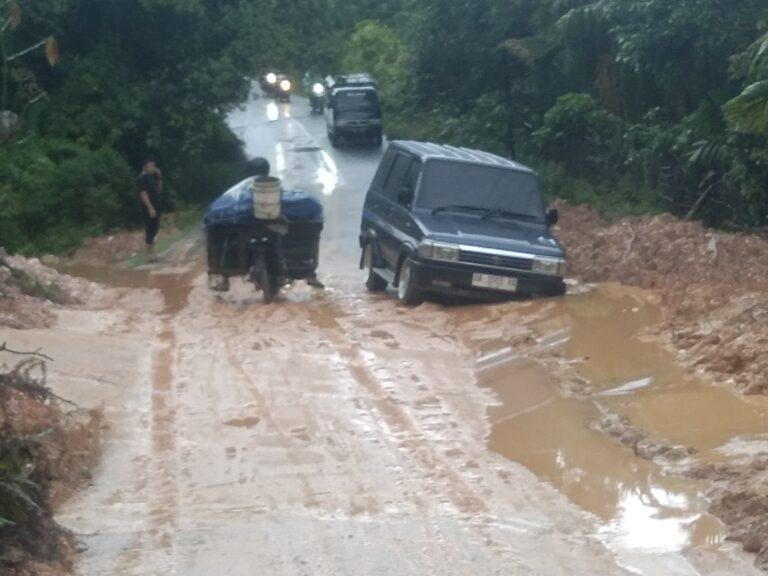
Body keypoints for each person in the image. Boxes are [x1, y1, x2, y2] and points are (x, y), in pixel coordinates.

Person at [136, 157, 163, 262]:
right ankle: (149, 254)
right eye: (150, 166)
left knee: (156, 227)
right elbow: (143, 194)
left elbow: (159, 190)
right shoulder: (141, 179)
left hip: (156, 206)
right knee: (150, 229)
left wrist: (160, 177)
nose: (153, 168)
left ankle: (153, 252)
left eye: (154, 166)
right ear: (144, 167)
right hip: (148, 208)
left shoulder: (152, 177)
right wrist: (150, 208)